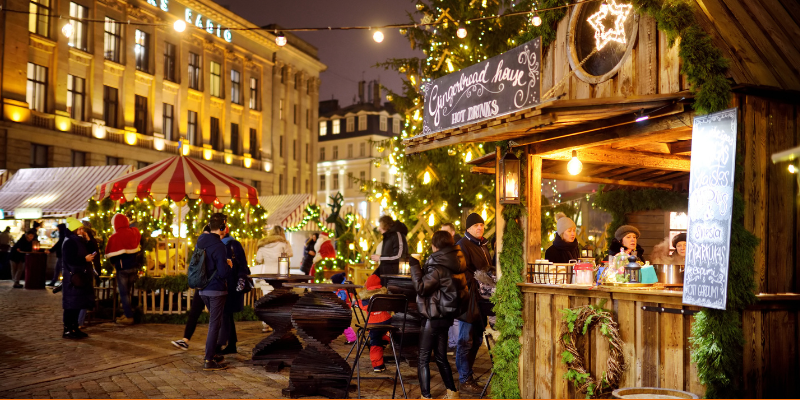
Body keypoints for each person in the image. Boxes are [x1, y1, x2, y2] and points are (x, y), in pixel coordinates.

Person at [410, 230, 469, 399]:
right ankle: (452, 392)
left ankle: (425, 396)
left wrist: (414, 265)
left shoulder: (437, 268)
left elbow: (421, 287)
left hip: (433, 317)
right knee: (441, 356)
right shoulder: (456, 263)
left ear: (435, 246)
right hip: (446, 317)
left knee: (423, 358)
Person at [454, 213, 492, 393]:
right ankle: (464, 379)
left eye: (482, 225)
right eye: (476, 225)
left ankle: (467, 374)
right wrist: (479, 281)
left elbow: (487, 269)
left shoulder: (483, 245)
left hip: (481, 300)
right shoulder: (462, 245)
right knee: (465, 340)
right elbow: (460, 272)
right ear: (468, 228)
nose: (480, 228)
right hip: (468, 300)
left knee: (476, 339)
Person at [195, 213, 232, 371]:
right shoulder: (219, 246)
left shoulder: (200, 242)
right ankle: (209, 359)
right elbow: (223, 272)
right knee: (214, 324)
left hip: (202, 289)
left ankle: (213, 353)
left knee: (215, 322)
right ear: (222, 226)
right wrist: (229, 264)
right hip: (216, 289)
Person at [171, 225, 211, 351]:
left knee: (217, 316)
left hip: (212, 287)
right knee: (194, 313)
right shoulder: (200, 247)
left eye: (206, 235)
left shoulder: (215, 247)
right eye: (203, 234)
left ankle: (221, 342)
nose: (204, 237)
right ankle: (185, 340)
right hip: (201, 285)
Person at [218, 223, 251, 355]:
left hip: (233, 285)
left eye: (221, 233)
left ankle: (221, 343)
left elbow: (243, 264)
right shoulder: (218, 245)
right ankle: (231, 344)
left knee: (225, 313)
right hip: (223, 284)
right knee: (227, 314)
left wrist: (241, 279)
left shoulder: (233, 244)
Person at [61, 218, 95, 339]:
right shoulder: (70, 242)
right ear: (74, 230)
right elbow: (69, 259)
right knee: (71, 305)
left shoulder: (80, 241)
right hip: (73, 278)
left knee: (78, 303)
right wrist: (84, 260)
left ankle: (75, 327)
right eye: (79, 229)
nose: (82, 231)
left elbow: (92, 249)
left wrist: (89, 239)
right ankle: (68, 329)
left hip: (80, 277)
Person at [105, 214, 141, 326]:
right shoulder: (133, 232)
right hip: (134, 267)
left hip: (122, 269)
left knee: (123, 293)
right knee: (128, 292)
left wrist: (114, 264)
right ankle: (127, 313)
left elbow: (112, 255)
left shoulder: (115, 237)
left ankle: (129, 316)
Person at [357, 274, 392, 373]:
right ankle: (386, 336)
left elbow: (361, 306)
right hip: (386, 322)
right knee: (391, 330)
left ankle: (378, 365)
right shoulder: (385, 295)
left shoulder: (365, 299)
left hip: (373, 325)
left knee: (375, 343)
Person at [370, 216, 409, 284]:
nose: (379, 229)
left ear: (385, 225)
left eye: (380, 225)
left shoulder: (397, 235)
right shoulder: (388, 237)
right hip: (387, 277)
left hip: (394, 278)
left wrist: (380, 257)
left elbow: (399, 255)